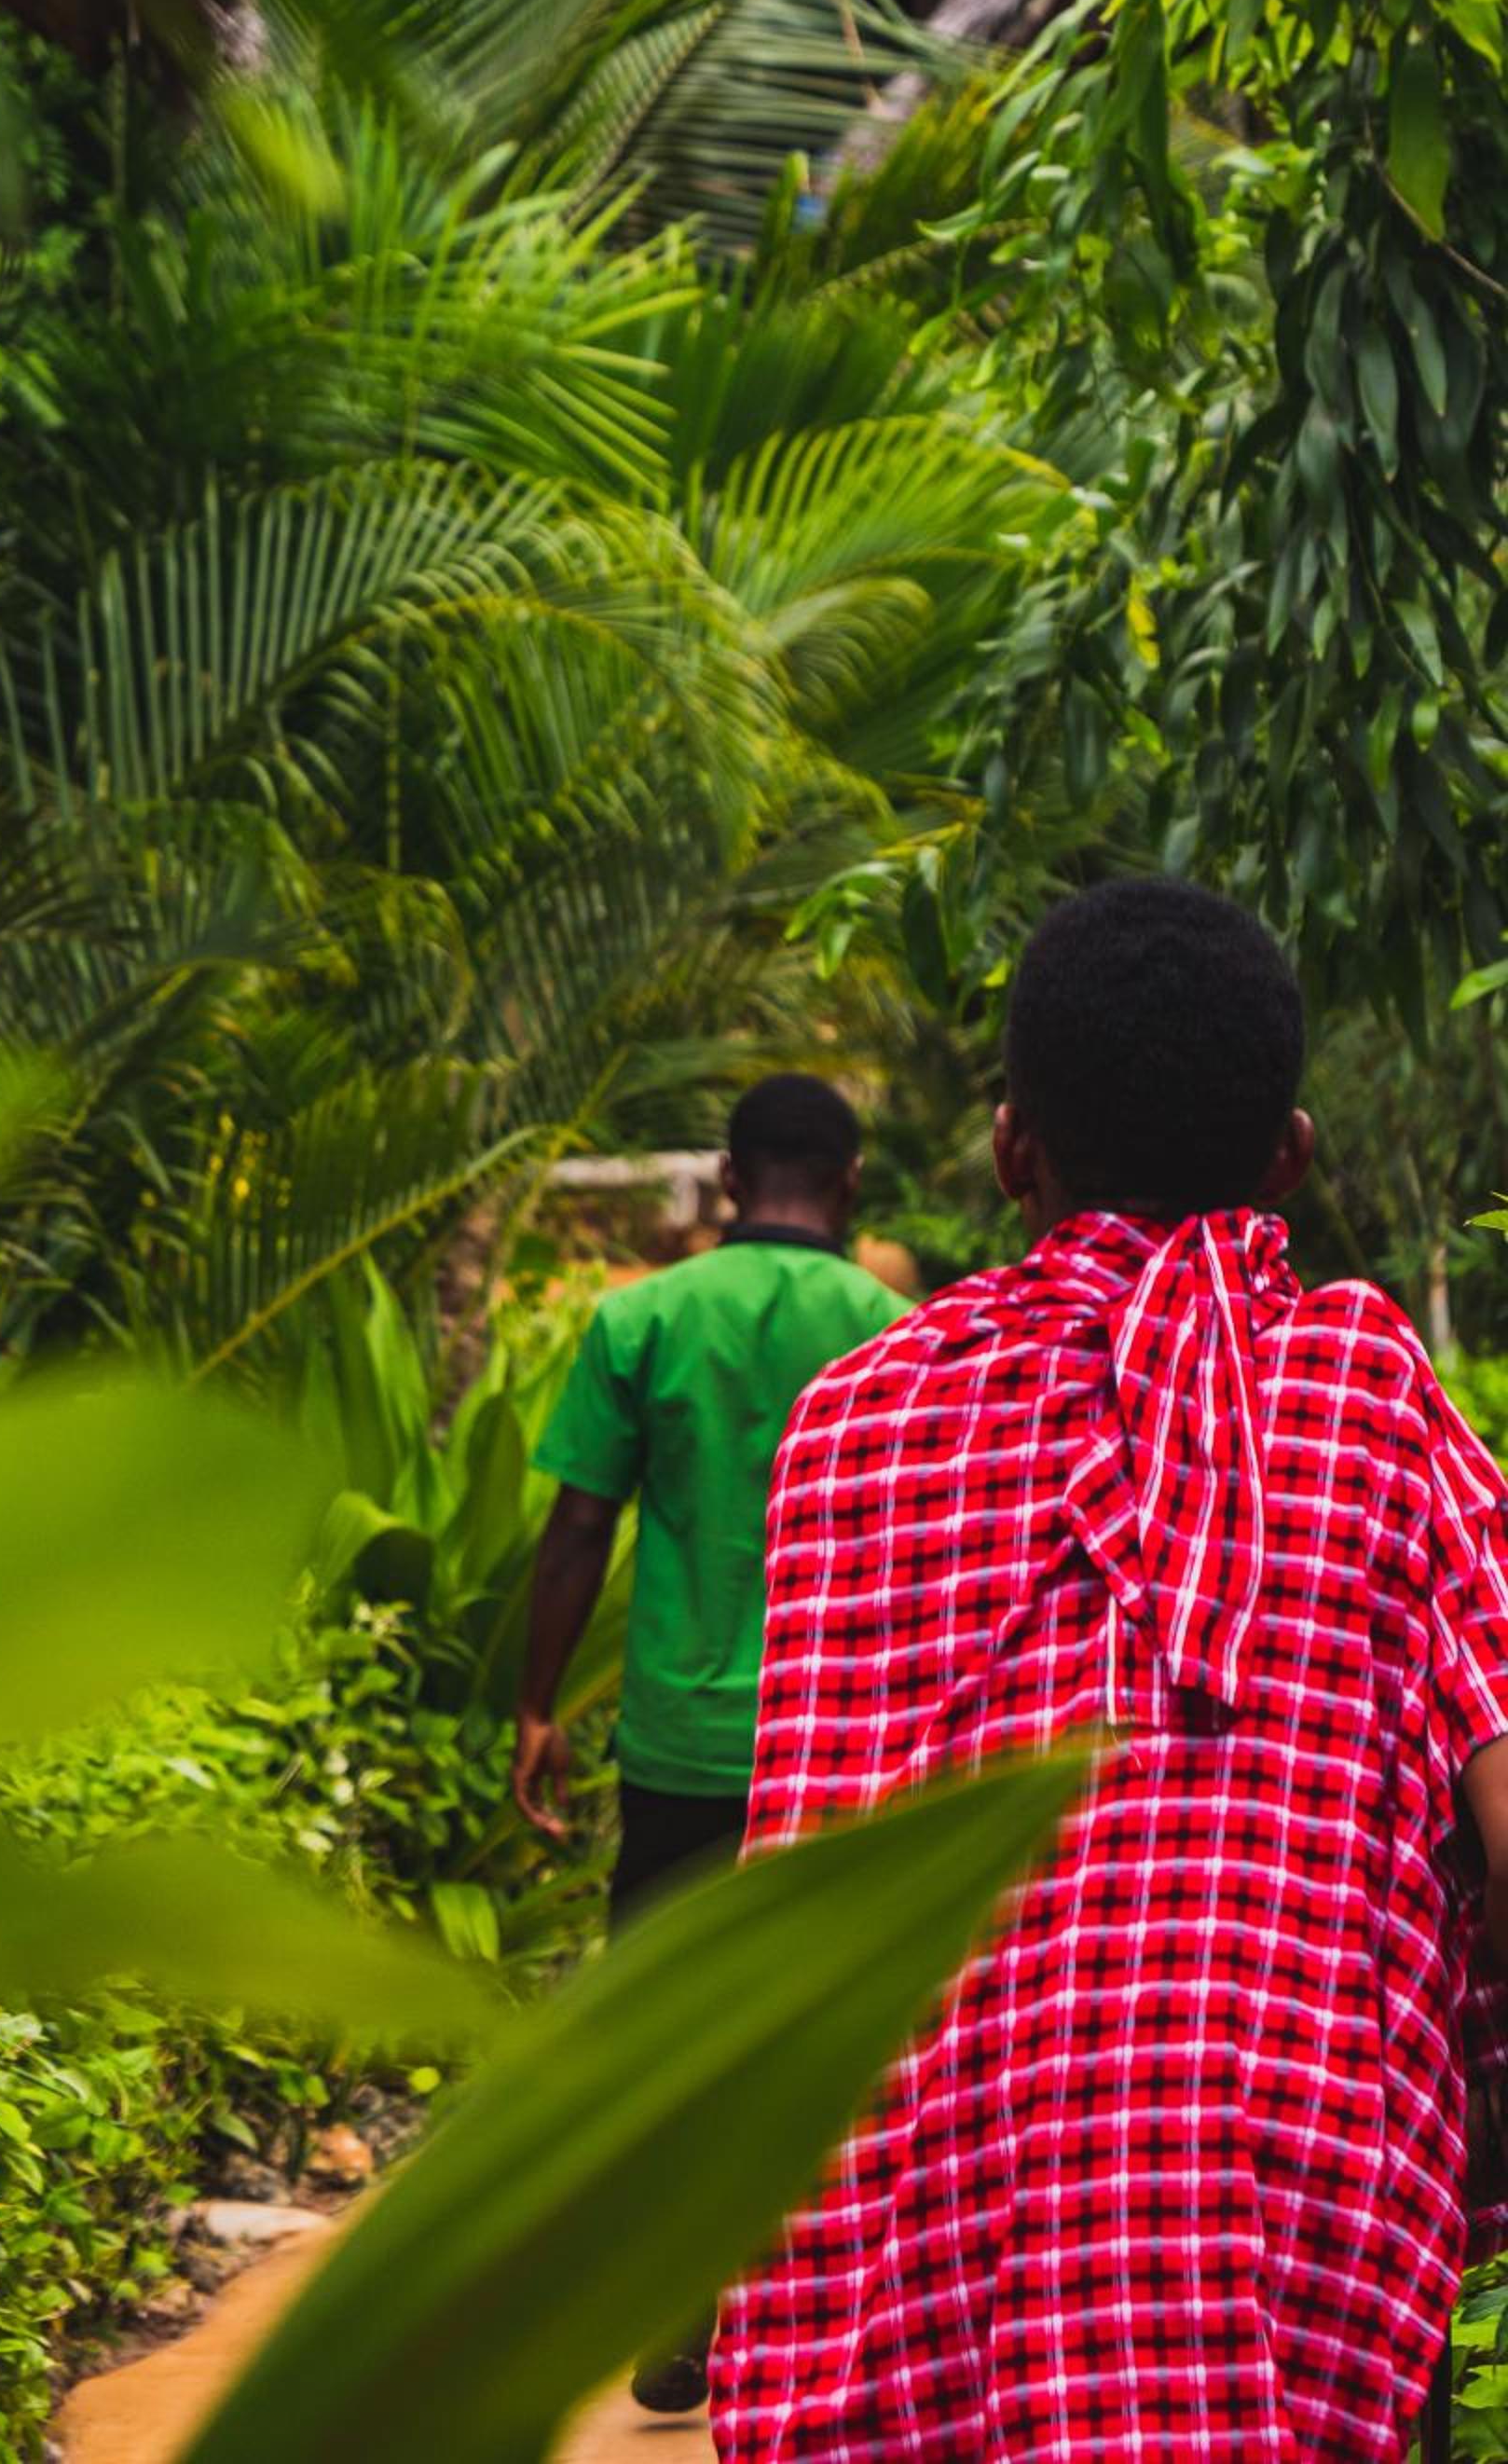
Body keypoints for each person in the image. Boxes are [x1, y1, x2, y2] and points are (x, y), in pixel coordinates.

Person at [712, 878, 1508, 2464]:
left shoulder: (857, 1425)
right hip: (1278, 2219)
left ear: (1013, 1151)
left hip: (905, 2220)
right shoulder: (1367, 1398)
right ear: (1288, 1157)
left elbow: (802, 1858)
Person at [514, 1073, 906, 2409]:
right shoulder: (897, 1334)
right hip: (842, 1743)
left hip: (681, 1741)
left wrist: (537, 1707)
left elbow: (579, 1528)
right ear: (850, 1184)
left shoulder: (642, 1318)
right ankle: (827, 2316)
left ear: (731, 1180)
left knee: (674, 2026)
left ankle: (682, 2301)